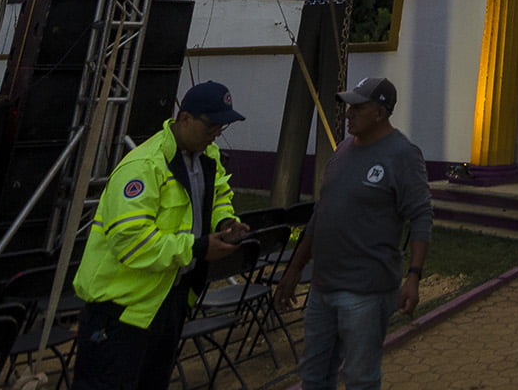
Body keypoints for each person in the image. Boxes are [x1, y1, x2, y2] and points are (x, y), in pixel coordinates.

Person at [73, 82, 250, 390]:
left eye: (222, 127)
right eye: (211, 125)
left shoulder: (206, 156)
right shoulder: (144, 166)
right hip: (122, 311)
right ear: (185, 119)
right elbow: (131, 242)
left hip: (167, 301)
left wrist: (224, 222)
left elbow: (218, 195)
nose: (216, 134)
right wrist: (197, 248)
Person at [276, 76, 432, 390]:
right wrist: (294, 270)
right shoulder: (343, 150)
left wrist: (414, 276)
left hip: (366, 292)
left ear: (380, 113)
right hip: (323, 287)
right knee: (313, 374)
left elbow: (421, 216)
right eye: (349, 107)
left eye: (358, 108)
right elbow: (321, 214)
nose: (349, 114)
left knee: (360, 378)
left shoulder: (402, 154)